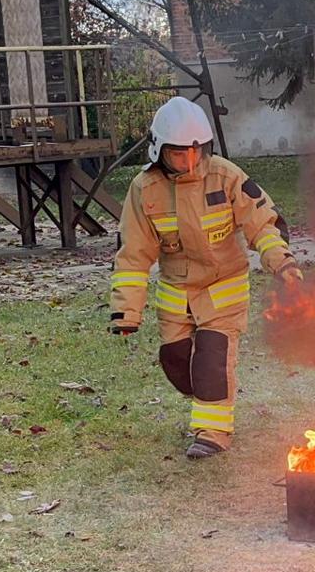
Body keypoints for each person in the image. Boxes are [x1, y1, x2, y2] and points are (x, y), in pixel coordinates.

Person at [109, 97, 301, 458]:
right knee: (177, 362)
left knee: (212, 359)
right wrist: (126, 312)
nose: (190, 161)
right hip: (176, 294)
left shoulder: (227, 177)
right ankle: (205, 395)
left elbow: (264, 224)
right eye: (180, 154)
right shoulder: (144, 190)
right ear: (159, 150)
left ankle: (212, 433)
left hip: (222, 289)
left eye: (198, 152)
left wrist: (282, 264)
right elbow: (133, 253)